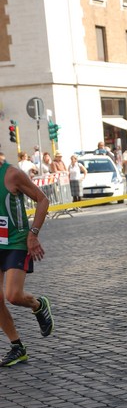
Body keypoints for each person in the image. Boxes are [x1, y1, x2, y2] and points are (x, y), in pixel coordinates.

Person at [0, 155, 54, 367]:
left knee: (13, 295)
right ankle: (17, 347)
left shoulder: (12, 174)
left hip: (16, 243)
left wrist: (33, 234)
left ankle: (38, 305)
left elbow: (43, 200)